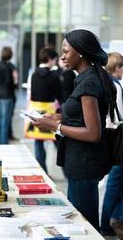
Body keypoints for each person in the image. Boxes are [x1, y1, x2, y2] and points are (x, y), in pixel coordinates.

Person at [31, 29, 117, 231]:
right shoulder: (89, 76)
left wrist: (56, 126)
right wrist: (59, 116)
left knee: (84, 227)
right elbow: (83, 116)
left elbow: (93, 133)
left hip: (84, 163)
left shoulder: (88, 82)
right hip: (82, 162)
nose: (61, 57)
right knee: (80, 223)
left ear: (80, 52)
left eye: (65, 52)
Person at [29, 47, 63, 173]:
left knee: (38, 142)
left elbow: (32, 94)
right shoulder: (53, 76)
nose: (55, 62)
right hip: (50, 113)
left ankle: (42, 172)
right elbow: (60, 95)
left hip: (36, 111)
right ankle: (66, 171)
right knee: (57, 140)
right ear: (50, 59)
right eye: (54, 60)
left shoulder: (34, 74)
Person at [101, 52, 123, 238]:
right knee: (114, 184)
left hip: (109, 140)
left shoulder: (104, 82)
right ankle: (107, 224)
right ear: (117, 68)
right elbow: (118, 118)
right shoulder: (115, 85)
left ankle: (115, 218)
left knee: (116, 183)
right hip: (117, 141)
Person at [0, 46, 18, 144]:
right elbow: (9, 82)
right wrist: (15, 81)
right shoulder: (7, 67)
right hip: (7, 95)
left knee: (0, 119)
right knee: (5, 120)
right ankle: (4, 143)